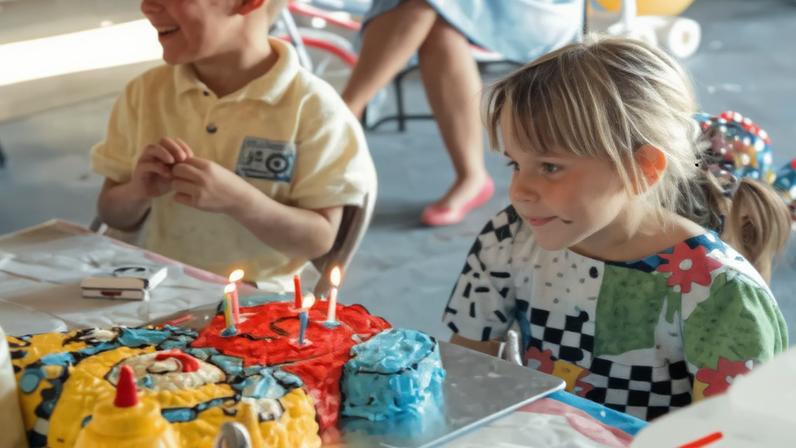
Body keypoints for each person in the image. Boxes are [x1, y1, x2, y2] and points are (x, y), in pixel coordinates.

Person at [443, 36, 790, 421]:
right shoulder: (508, 237)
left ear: (642, 170)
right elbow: (466, 369)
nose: (519, 191)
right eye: (515, 165)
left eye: (550, 167)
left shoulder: (720, 292)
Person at [91, 0, 375, 292]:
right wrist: (139, 191)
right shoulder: (144, 93)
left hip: (257, 303)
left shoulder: (313, 109)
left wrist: (241, 202)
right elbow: (112, 215)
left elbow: (319, 240)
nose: (147, 7)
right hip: (150, 286)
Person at [341, 0, 581, 226]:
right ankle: (471, 176)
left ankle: (344, 113)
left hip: (532, 12)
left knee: (427, 4)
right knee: (437, 24)